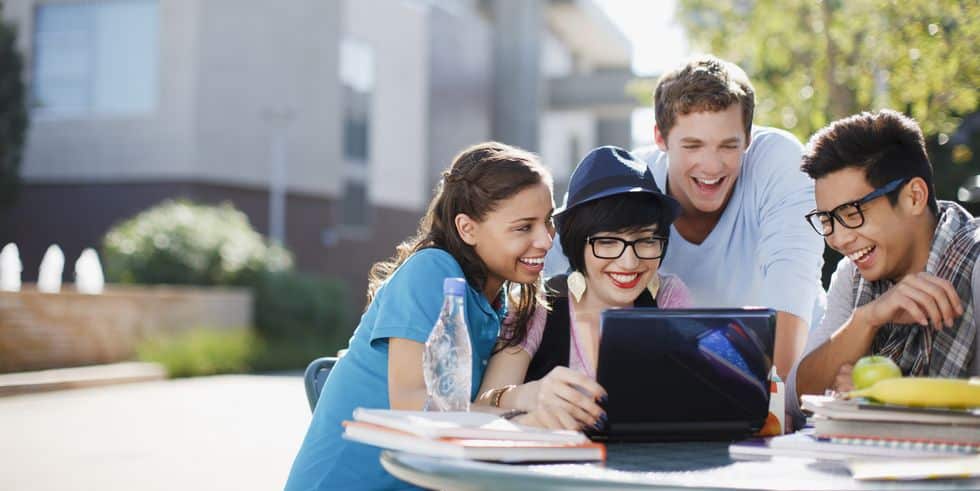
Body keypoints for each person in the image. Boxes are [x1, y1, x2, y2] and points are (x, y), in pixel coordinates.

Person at [284, 142, 555, 490]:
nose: (546, 241)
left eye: (548, 222)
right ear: (467, 228)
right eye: (524, 227)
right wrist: (525, 415)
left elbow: (472, 411)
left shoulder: (503, 303)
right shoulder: (432, 270)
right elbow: (413, 406)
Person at [630, 55, 826, 382]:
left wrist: (777, 403)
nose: (711, 166)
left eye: (728, 146)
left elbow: (793, 281)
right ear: (660, 138)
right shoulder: (633, 181)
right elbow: (569, 283)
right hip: (683, 376)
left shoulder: (780, 160)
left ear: (748, 138)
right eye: (692, 145)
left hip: (799, 373)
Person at [477, 146, 693, 431]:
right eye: (607, 242)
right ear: (577, 243)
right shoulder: (539, 305)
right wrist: (526, 397)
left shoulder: (668, 298)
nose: (629, 262)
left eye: (646, 240)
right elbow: (482, 405)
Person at [794, 109, 980, 399]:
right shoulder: (852, 274)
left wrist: (891, 397)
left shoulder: (976, 263)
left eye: (852, 213)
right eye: (827, 219)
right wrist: (866, 320)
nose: (838, 239)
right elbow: (798, 396)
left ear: (914, 197)